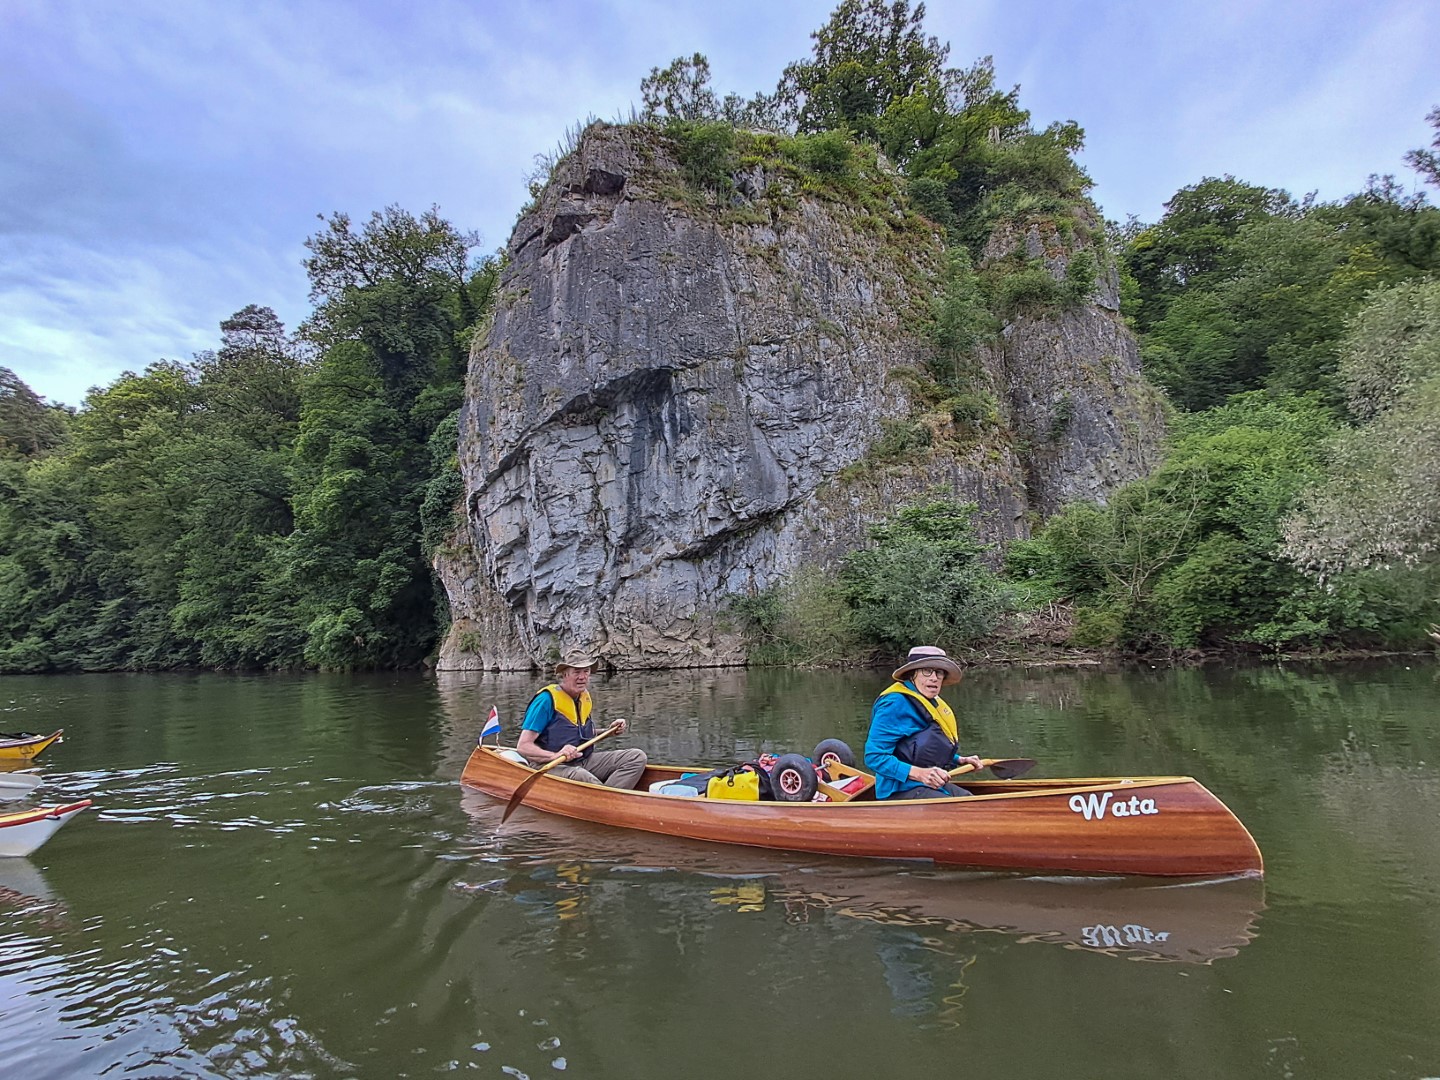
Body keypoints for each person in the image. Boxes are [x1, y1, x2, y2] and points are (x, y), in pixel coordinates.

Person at [864, 645, 985, 800]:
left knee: (969, 800)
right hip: (897, 791)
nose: (934, 677)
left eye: (939, 672)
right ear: (912, 674)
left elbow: (920, 748)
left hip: (926, 785)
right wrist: (920, 774)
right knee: (963, 810)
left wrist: (960, 759)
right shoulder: (894, 703)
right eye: (926, 671)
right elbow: (874, 756)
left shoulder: (932, 702)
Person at [516, 653, 647, 788]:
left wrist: (609, 732)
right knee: (581, 775)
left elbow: (579, 734)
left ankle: (608, 799)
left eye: (586, 671)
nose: (582, 677)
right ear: (565, 674)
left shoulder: (583, 697)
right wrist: (555, 755)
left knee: (636, 757)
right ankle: (609, 800)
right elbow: (523, 746)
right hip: (550, 765)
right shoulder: (545, 700)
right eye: (576, 672)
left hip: (583, 760)